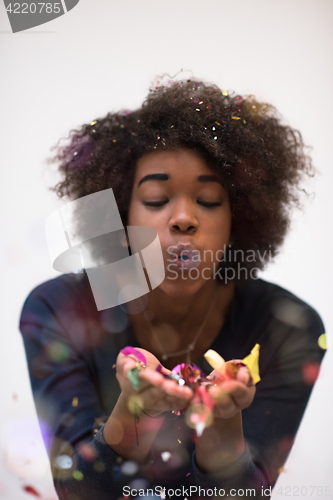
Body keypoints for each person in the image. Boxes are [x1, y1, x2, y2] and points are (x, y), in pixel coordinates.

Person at [20, 78, 325, 500]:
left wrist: (221, 432)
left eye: (209, 200)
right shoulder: (60, 310)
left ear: (240, 221)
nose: (183, 218)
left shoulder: (286, 329)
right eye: (157, 198)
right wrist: (134, 410)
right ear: (122, 222)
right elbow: (78, 491)